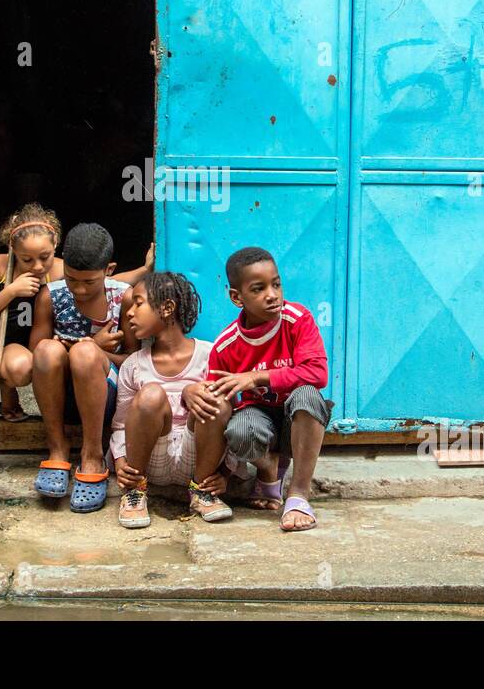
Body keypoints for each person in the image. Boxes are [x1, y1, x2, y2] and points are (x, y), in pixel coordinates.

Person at [0, 205, 150, 491]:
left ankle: (88, 453)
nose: (37, 266)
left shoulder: (69, 275)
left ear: (55, 248)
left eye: (44, 257)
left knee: (49, 360)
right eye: (27, 259)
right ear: (13, 250)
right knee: (3, 362)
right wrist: (12, 290)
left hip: (47, 361)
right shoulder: (12, 272)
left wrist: (144, 270)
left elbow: (104, 281)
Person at [194, 246, 332, 532]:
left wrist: (257, 378)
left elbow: (318, 373)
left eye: (276, 284)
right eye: (258, 289)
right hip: (260, 420)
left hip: (298, 417)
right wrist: (223, 474)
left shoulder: (297, 320)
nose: (272, 294)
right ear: (236, 297)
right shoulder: (226, 345)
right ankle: (268, 470)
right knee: (238, 431)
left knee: (308, 395)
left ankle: (298, 495)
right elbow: (218, 405)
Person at [28, 222, 138, 512]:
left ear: (109, 270)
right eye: (71, 279)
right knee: (48, 350)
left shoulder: (124, 298)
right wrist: (81, 346)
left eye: (88, 282)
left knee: (86, 354)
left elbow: (135, 363)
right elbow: (35, 360)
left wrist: (92, 349)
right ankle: (58, 447)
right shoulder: (50, 296)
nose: (78, 288)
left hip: (106, 398)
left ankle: (93, 454)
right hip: (61, 398)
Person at [112, 272, 234, 529]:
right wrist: (121, 461)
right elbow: (121, 425)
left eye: (138, 302)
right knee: (151, 395)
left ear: (167, 308)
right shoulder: (134, 365)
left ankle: (202, 493)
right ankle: (135, 493)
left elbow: (233, 416)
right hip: (151, 460)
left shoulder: (211, 355)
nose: (130, 313)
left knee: (217, 398)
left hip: (200, 460)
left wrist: (226, 474)